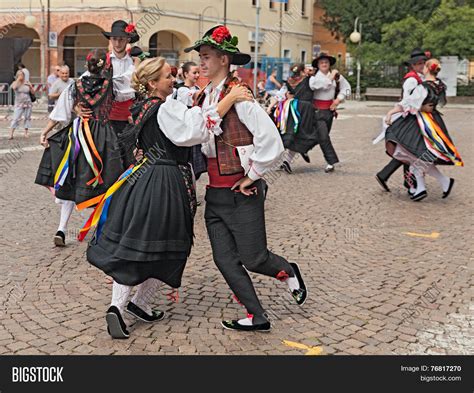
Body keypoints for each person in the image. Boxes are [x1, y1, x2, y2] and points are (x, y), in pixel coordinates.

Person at [80, 57, 252, 339]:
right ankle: (126, 306)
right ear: (152, 83)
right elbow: (194, 131)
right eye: (167, 77)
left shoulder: (144, 105)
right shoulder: (164, 107)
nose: (173, 80)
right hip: (166, 180)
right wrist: (230, 98)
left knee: (139, 241)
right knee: (164, 246)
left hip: (143, 177)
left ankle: (131, 305)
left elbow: (182, 120)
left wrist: (197, 102)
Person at [183, 25, 307, 332]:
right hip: (214, 192)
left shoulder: (240, 98)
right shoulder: (204, 96)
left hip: (242, 193)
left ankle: (288, 270)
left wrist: (252, 175)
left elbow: (272, 142)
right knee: (224, 260)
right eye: (200, 56)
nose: (202, 62)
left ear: (224, 60)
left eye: (208, 56)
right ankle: (257, 315)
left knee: (253, 258)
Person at [35, 49, 123, 246]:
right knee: (106, 181)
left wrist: (45, 131)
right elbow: (129, 94)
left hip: (79, 135)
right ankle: (103, 232)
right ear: (106, 66)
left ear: (86, 66)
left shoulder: (76, 85)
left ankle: (62, 228)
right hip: (105, 137)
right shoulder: (113, 84)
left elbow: (61, 112)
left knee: (71, 179)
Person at [384, 58, 463, 201]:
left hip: (422, 123)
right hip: (434, 121)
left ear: (427, 68)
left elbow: (408, 104)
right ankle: (430, 186)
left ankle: (435, 184)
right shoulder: (440, 85)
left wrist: (391, 112)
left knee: (417, 155)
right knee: (419, 158)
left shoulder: (424, 87)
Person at [375, 48, 430, 193]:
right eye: (418, 63)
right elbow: (407, 101)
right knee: (409, 150)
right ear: (413, 64)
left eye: (423, 62)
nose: (421, 65)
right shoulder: (412, 80)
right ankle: (405, 180)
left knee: (407, 150)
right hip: (408, 117)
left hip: (414, 116)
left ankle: (390, 176)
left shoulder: (420, 78)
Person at [271, 63, 320, 173]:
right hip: (300, 111)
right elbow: (279, 95)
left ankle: (293, 156)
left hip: (297, 112)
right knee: (303, 136)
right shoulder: (307, 80)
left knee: (297, 136)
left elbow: (279, 95)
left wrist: (269, 108)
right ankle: (290, 158)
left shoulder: (304, 81)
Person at [310, 53, 351, 173]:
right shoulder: (313, 78)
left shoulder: (337, 77)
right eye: (321, 62)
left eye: (326, 62)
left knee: (321, 137)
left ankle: (301, 148)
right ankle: (331, 161)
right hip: (316, 111)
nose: (324, 64)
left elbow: (347, 88)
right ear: (318, 65)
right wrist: (330, 79)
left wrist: (338, 99)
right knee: (323, 136)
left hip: (330, 111)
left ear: (329, 64)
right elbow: (315, 87)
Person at [9, 70, 34, 139]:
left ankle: (26, 133)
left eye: (22, 75)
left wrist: (30, 87)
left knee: (27, 118)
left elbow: (33, 92)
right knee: (16, 118)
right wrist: (18, 80)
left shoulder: (27, 82)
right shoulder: (15, 83)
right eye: (20, 75)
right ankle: (11, 133)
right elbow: (13, 88)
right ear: (17, 76)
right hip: (19, 103)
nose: (21, 76)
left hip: (28, 103)